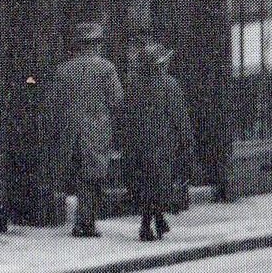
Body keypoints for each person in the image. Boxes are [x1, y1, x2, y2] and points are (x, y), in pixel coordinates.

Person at [49, 21, 123, 237]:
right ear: (97, 44)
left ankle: (83, 221)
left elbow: (54, 103)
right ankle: (85, 223)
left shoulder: (63, 70)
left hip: (70, 131)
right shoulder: (106, 68)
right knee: (95, 178)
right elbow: (117, 100)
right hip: (97, 130)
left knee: (80, 177)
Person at [118, 39, 197, 241]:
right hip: (163, 144)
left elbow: (125, 115)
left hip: (138, 145)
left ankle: (154, 221)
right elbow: (180, 117)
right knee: (160, 184)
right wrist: (187, 142)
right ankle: (150, 223)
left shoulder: (133, 85)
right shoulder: (169, 85)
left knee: (144, 184)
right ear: (160, 65)